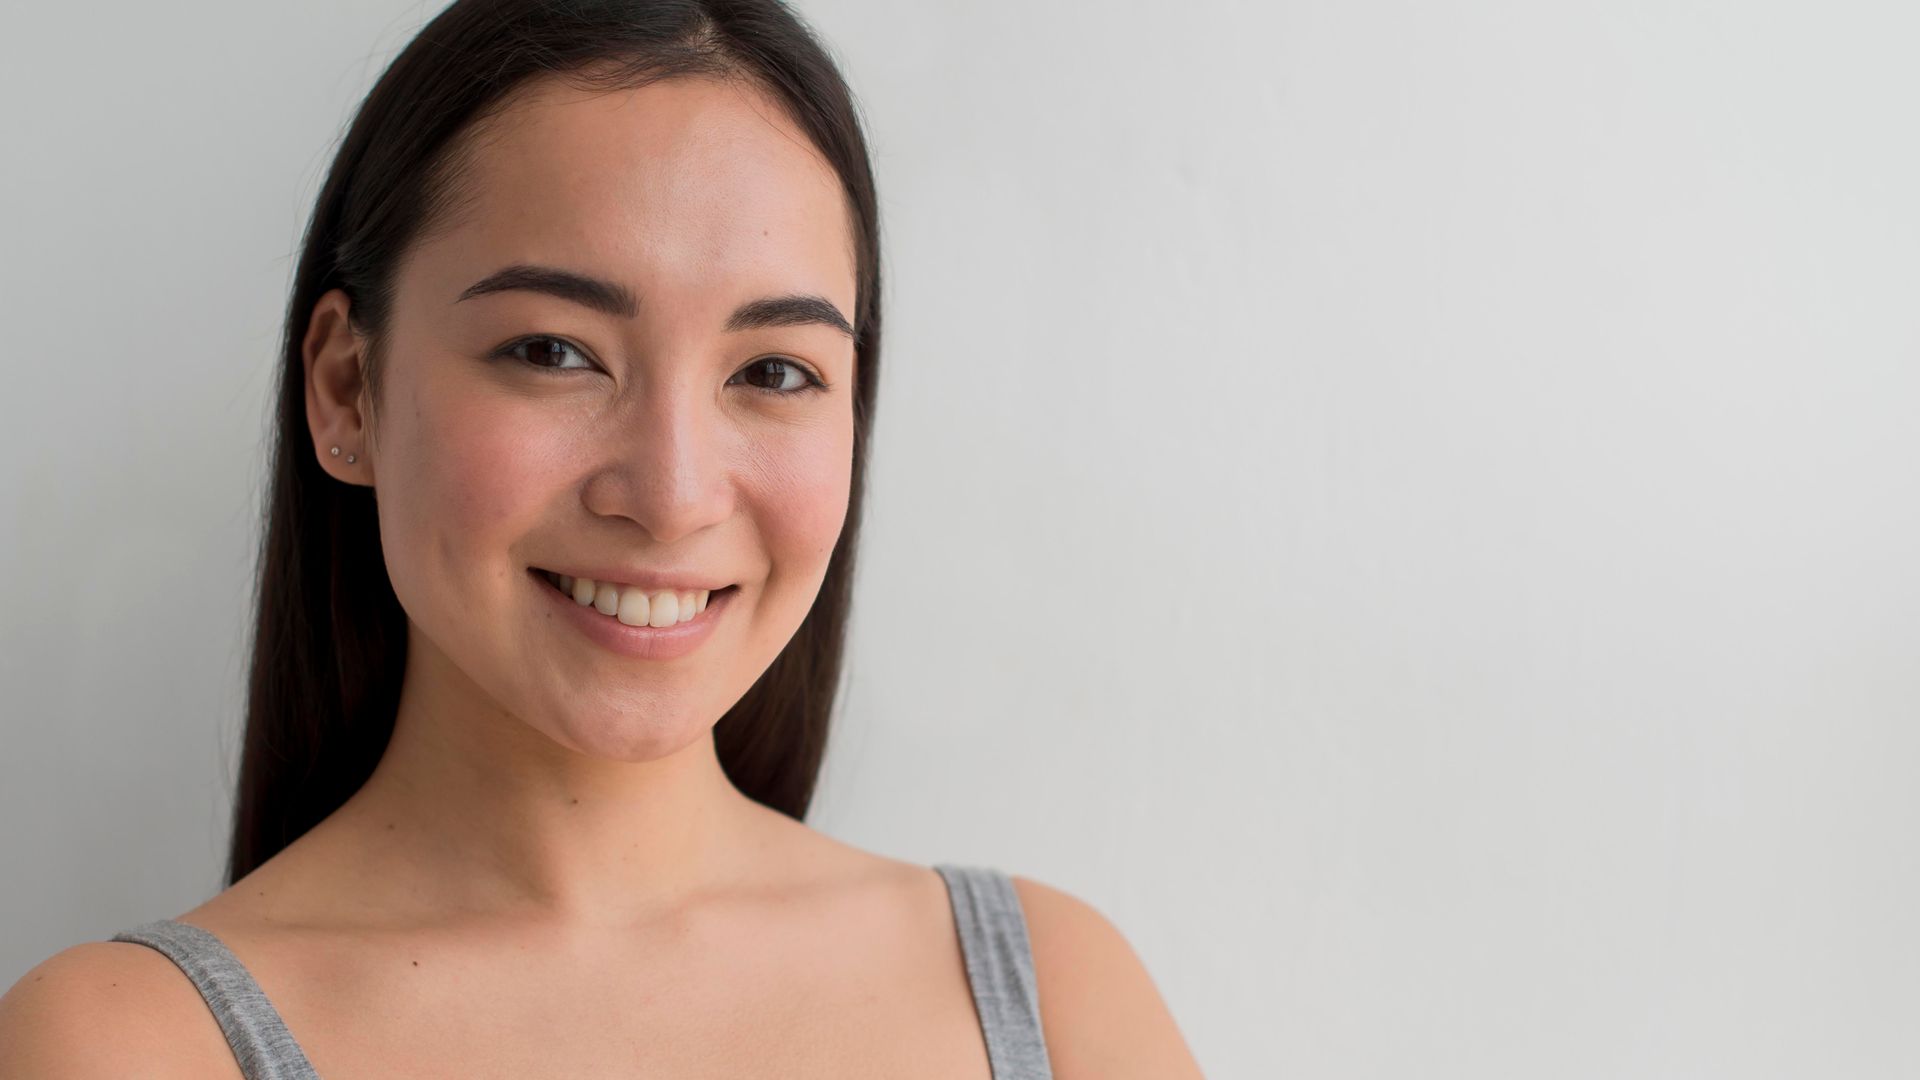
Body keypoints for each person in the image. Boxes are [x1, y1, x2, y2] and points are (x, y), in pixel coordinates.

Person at [0, 0, 1202, 1076]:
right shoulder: (127, 1048)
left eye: (774, 371)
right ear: (346, 390)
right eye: (554, 352)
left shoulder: (1052, 998)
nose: (673, 493)